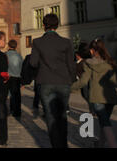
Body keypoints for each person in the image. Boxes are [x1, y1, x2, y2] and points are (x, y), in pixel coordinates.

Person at [71, 39, 117, 148]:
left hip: (97, 98)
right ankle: (100, 144)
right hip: (111, 99)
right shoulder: (111, 64)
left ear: (92, 51)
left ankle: (113, 145)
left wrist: (69, 88)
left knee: (105, 123)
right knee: (104, 122)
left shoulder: (89, 64)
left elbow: (83, 81)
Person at [30, 14, 76, 148]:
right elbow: (71, 64)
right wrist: (71, 80)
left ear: (44, 25)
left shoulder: (37, 42)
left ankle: (56, 145)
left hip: (45, 82)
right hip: (63, 82)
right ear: (57, 25)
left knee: (50, 117)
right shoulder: (66, 42)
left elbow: (33, 63)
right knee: (62, 115)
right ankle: (63, 144)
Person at [75, 42, 95, 114]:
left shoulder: (87, 58)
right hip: (84, 78)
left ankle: (92, 110)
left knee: (86, 94)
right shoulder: (85, 57)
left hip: (86, 78)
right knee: (85, 94)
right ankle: (93, 108)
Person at [5, 39, 23, 118]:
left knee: (5, 95)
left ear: (8, 46)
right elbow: (22, 68)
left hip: (7, 77)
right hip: (17, 77)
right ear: (16, 46)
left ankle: (6, 110)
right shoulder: (19, 55)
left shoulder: (5, 55)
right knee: (16, 95)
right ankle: (17, 112)